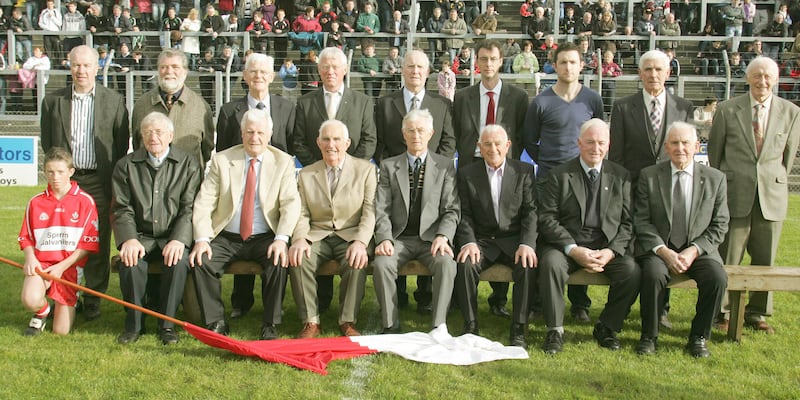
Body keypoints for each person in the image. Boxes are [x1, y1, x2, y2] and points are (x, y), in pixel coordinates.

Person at [189, 108, 301, 338]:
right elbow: (204, 202)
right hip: (227, 235)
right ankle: (216, 321)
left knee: (279, 261)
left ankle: (270, 324)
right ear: (241, 133)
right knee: (201, 260)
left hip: (265, 235)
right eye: (250, 132)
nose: (255, 138)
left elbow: (290, 204)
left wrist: (282, 239)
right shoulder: (222, 160)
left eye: (260, 133)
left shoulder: (283, 162)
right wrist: (201, 239)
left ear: (269, 135)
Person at [708, 56, 800, 334]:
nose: (762, 81)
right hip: (735, 194)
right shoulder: (726, 110)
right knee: (728, 258)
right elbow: (715, 154)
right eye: (757, 75)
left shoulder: (791, 111)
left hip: (770, 196)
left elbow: (788, 156)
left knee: (765, 259)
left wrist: (769, 180)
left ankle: (757, 313)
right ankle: (721, 312)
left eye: (767, 76)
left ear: (775, 79)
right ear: (747, 78)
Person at [40, 45, 130, 322]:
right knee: (60, 240)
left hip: (98, 181)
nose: (81, 71)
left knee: (96, 241)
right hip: (65, 182)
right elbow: (48, 142)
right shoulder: (53, 102)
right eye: (76, 65)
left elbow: (119, 145)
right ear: (70, 66)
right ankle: (61, 293)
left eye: (87, 65)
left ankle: (93, 296)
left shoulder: (113, 101)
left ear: (97, 68)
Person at [536, 118, 641, 354]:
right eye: (590, 142)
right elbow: (547, 218)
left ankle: (607, 327)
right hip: (568, 246)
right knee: (551, 264)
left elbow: (628, 222)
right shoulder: (559, 175)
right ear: (579, 143)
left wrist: (611, 251)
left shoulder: (621, 176)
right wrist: (572, 249)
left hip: (605, 247)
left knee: (632, 271)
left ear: (608, 145)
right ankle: (555, 329)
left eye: (601, 143)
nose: (596, 148)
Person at [634, 122, 729, 358]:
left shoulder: (715, 179)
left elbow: (720, 224)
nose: (680, 148)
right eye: (674, 143)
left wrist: (693, 251)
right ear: (666, 147)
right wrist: (663, 251)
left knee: (717, 278)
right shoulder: (650, 176)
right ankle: (649, 335)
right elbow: (641, 220)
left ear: (697, 146)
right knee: (653, 274)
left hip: (698, 250)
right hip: (660, 249)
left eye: (685, 143)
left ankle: (698, 337)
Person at [111, 112, 202, 345]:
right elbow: (122, 208)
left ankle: (167, 325)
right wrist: (128, 239)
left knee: (179, 260)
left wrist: (179, 240)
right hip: (140, 235)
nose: (154, 137)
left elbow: (189, 207)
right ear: (141, 136)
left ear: (170, 136)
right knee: (129, 262)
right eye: (148, 132)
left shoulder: (188, 163)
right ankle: (134, 325)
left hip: (173, 235)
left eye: (159, 132)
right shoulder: (126, 165)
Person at [216, 53, 296, 319]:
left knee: (268, 237)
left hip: (276, 184)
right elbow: (223, 150)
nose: (258, 76)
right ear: (244, 76)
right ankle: (241, 302)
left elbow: (292, 144)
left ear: (272, 76)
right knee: (243, 228)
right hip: (242, 181)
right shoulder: (229, 111)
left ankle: (275, 306)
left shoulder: (286, 108)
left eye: (264, 72)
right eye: (253, 71)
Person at [373, 109, 460, 333]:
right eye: (410, 131)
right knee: (382, 264)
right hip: (399, 238)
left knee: (446, 263)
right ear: (403, 134)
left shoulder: (445, 166)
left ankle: (438, 325)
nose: (416, 136)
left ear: (431, 133)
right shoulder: (389, 166)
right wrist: (384, 238)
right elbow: (381, 208)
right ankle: (390, 325)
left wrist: (443, 236)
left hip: (431, 239)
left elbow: (451, 209)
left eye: (421, 130)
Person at [288, 120, 377, 338]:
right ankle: (311, 322)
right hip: (317, 234)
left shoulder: (366, 170)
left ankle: (347, 321)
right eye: (326, 139)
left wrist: (361, 242)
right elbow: (301, 212)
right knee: (299, 257)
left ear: (347, 143)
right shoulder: (307, 173)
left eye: (337, 139)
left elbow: (370, 211)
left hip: (351, 233)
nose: (331, 144)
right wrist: (299, 238)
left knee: (357, 259)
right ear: (318, 143)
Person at [455, 125, 537, 347]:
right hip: (483, 241)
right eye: (487, 144)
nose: (493, 149)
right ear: (479, 147)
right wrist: (469, 242)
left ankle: (519, 327)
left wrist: (527, 244)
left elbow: (531, 212)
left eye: (498, 143)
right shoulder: (466, 174)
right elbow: (464, 214)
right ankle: (470, 323)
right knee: (465, 263)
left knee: (528, 265)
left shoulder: (524, 172)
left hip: (513, 241)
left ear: (507, 146)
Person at [19, 148, 100, 336]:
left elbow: (88, 245)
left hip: (69, 267)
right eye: (50, 172)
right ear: (44, 171)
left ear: (71, 172)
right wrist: (31, 259)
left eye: (60, 172)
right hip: (42, 265)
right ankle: (42, 312)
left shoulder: (85, 201)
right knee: (30, 299)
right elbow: (26, 237)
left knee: (61, 332)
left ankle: (70, 301)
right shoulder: (35, 202)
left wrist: (61, 267)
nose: (55, 177)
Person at [131, 48, 215, 169]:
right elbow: (136, 143)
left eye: (175, 67)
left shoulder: (201, 107)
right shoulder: (142, 104)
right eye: (164, 67)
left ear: (185, 71)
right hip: (149, 180)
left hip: (189, 182)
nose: (169, 72)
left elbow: (207, 149)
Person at [293, 47, 376, 167]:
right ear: (319, 70)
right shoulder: (305, 103)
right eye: (326, 67)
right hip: (317, 176)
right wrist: (319, 168)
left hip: (352, 176)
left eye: (335, 67)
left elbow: (369, 140)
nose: (330, 72)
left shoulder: (363, 102)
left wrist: (350, 167)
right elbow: (299, 141)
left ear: (345, 69)